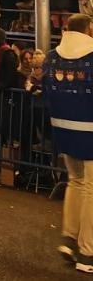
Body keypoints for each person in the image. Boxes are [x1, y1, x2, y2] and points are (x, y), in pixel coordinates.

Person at [43, 14, 93, 272]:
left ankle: (69, 238)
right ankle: (88, 253)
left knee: (76, 181)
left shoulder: (52, 57)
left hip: (63, 129)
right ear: (88, 29)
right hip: (91, 130)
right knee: (92, 189)